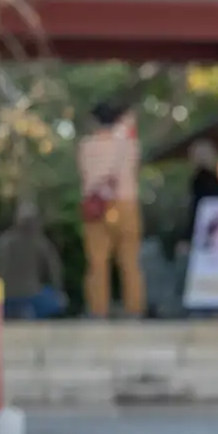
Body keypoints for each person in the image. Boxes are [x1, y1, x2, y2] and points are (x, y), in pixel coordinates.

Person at [76, 102, 146, 318]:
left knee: (97, 261)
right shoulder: (130, 146)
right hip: (126, 204)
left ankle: (98, 309)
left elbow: (84, 172)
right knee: (130, 260)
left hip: (97, 207)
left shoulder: (86, 146)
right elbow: (134, 158)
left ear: (94, 121)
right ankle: (134, 308)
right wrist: (126, 124)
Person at [0, 200, 67, 319]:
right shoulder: (41, 243)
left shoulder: (4, 241)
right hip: (32, 295)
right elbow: (54, 271)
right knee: (59, 301)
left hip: (6, 296)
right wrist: (58, 290)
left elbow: (0, 270)